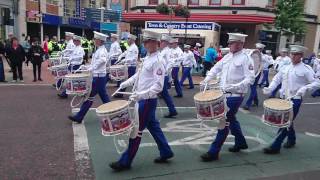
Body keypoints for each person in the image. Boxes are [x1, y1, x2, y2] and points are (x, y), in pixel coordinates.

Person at [109, 30, 174, 171]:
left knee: (136, 131)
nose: (145, 44)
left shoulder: (158, 61)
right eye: (144, 41)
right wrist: (125, 83)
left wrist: (141, 95)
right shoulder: (147, 58)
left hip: (147, 100)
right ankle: (166, 151)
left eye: (148, 41)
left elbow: (158, 86)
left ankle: (125, 161)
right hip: (143, 99)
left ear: (157, 43)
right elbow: (139, 76)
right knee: (154, 127)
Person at [200, 33, 255, 162]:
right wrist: (207, 79)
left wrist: (235, 87)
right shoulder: (228, 57)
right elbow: (216, 68)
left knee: (223, 121)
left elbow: (250, 78)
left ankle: (213, 152)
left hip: (236, 95)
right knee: (231, 118)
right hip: (223, 93)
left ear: (241, 44)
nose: (230, 45)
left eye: (234, 43)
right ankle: (241, 142)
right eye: (230, 43)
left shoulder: (246, 58)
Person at [262, 45, 320, 154]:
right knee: (288, 121)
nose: (293, 56)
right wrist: (270, 88)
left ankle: (275, 146)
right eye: (292, 54)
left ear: (301, 56)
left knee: (284, 122)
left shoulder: (306, 69)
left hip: (295, 99)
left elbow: (317, 82)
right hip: (282, 99)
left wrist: (305, 88)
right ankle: (292, 139)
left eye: (296, 54)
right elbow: (277, 79)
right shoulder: (286, 67)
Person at [68, 31, 110, 123]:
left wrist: (91, 68)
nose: (94, 40)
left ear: (100, 40)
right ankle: (113, 114)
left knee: (89, 97)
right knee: (104, 98)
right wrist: (86, 66)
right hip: (98, 77)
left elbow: (102, 61)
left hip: (99, 77)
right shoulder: (99, 49)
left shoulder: (102, 51)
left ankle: (79, 116)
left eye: (96, 39)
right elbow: (96, 63)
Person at [243, 43, 271, 110]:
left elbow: (270, 62)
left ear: (262, 49)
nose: (258, 50)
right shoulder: (251, 53)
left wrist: (263, 66)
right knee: (253, 88)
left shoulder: (263, 56)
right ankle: (256, 101)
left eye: (260, 49)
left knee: (253, 88)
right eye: (257, 48)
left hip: (257, 74)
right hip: (250, 73)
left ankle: (248, 104)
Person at [159, 34, 178, 118]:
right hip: (161, 75)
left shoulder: (167, 51)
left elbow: (171, 63)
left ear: (165, 43)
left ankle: (172, 110)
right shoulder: (163, 51)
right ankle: (172, 110)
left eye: (162, 42)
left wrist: (165, 71)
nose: (160, 43)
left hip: (163, 75)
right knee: (163, 93)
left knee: (164, 94)